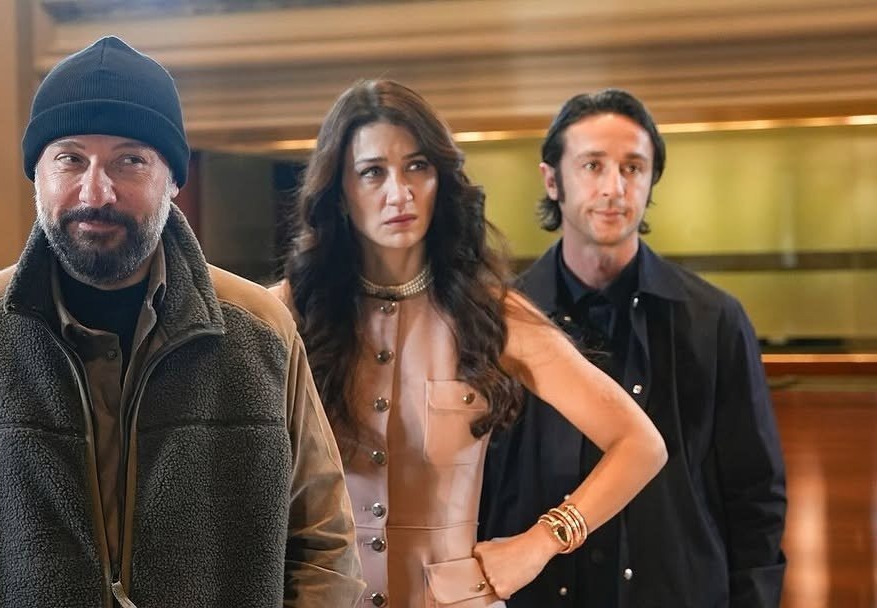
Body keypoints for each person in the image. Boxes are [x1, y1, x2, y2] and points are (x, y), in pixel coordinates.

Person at [0, 36, 365, 607]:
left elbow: (323, 547)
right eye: (70, 158)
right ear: (37, 175)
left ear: (173, 180)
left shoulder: (260, 335)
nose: (96, 192)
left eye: (130, 160)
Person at [270, 79, 666, 608]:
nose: (399, 193)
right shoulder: (284, 314)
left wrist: (540, 543)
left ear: (441, 177)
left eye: (417, 166)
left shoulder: (491, 313)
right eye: (372, 172)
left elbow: (641, 444)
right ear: (340, 192)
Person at [479, 89, 788, 607]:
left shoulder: (715, 319)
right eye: (592, 165)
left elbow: (755, 493)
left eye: (633, 168)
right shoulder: (497, 321)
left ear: (651, 181)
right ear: (552, 180)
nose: (614, 188)